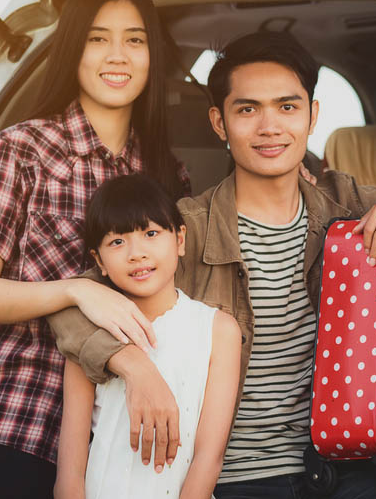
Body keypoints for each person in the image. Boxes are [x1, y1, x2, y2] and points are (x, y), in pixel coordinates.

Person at [49, 31, 376, 498]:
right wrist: (131, 364)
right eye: (248, 109)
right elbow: (74, 307)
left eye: (288, 107)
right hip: (225, 475)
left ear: (313, 116)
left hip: (337, 465)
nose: (270, 127)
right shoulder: (183, 229)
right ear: (219, 122)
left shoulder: (351, 206)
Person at [0, 0, 191, 499]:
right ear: (72, 48)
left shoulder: (164, 173)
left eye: (134, 39)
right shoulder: (21, 149)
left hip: (127, 433)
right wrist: (78, 288)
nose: (117, 55)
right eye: (97, 37)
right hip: (28, 418)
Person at [55, 173, 240, 499]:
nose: (136, 253)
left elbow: (209, 459)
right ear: (98, 261)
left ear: (180, 239)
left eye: (151, 233)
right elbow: (70, 469)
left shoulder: (218, 330)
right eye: (117, 242)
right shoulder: (91, 337)